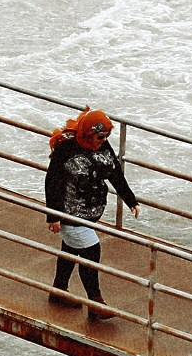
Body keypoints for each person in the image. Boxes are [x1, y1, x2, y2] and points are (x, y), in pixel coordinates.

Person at [44, 107, 139, 319]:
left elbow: (115, 174)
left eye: (106, 135)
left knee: (70, 249)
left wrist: (131, 200)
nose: (103, 140)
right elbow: (52, 182)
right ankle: (96, 304)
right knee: (91, 251)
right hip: (70, 214)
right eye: (99, 136)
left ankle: (58, 291)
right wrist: (53, 216)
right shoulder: (67, 150)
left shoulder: (104, 146)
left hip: (90, 214)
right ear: (87, 133)